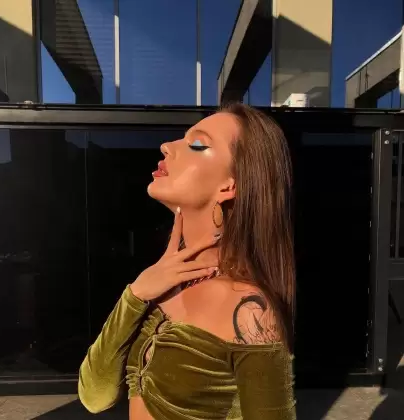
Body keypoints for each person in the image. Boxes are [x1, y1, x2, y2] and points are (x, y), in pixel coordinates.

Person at [78, 103, 296, 419]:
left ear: (229, 185)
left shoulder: (249, 310)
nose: (167, 146)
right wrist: (136, 294)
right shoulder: (158, 283)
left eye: (197, 144)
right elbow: (94, 396)